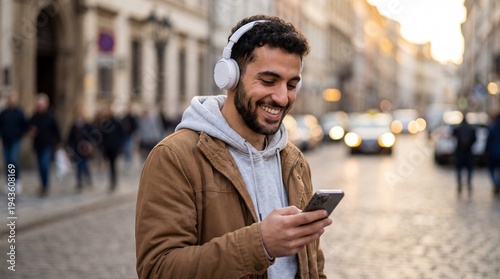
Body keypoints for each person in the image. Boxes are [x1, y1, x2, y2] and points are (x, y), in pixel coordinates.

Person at [136, 15, 332, 279]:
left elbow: (312, 265)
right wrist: (260, 243)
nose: (282, 97)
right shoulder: (175, 157)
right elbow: (158, 269)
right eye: (268, 81)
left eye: (292, 84)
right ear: (229, 77)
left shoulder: (294, 160)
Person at [29, 93, 61, 197]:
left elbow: (56, 130)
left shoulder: (50, 117)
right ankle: (43, 185)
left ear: (46, 104)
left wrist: (59, 143)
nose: (40, 106)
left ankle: (45, 185)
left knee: (44, 164)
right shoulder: (34, 116)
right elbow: (29, 128)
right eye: (38, 104)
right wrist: (32, 132)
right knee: (40, 166)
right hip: (38, 145)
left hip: (48, 144)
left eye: (41, 104)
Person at [0, 91, 28, 194]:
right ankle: (9, 183)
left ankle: (16, 181)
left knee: (13, 160)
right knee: (8, 161)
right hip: (6, 140)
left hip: (15, 139)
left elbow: (25, 125)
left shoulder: (19, 113)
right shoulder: (4, 113)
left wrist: (20, 134)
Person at [66, 107, 95, 192]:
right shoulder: (74, 126)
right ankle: (79, 182)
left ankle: (86, 177)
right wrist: (68, 146)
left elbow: (93, 136)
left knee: (84, 164)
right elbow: (70, 138)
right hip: (76, 149)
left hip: (85, 149)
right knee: (79, 166)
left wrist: (90, 144)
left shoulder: (87, 125)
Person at [96, 105, 124, 192]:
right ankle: (111, 181)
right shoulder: (103, 123)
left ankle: (113, 181)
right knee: (109, 165)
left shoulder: (116, 122)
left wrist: (119, 145)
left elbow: (121, 134)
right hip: (106, 147)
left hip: (114, 147)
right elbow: (100, 135)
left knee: (113, 165)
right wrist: (100, 146)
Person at [452, 116, 477, 193]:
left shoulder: (458, 128)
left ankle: (459, 184)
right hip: (468, 152)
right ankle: (468, 182)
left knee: (459, 169)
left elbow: (453, 134)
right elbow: (475, 138)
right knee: (469, 169)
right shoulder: (471, 128)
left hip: (460, 151)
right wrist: (470, 144)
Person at [485, 113, 500, 196]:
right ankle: (497, 183)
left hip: (493, 152)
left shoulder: (492, 127)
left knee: (491, 169)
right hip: (494, 152)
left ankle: (496, 183)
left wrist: (486, 151)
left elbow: (488, 140)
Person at [120, 103, 138, 169]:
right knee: (126, 149)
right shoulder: (124, 118)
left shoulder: (132, 118)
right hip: (125, 135)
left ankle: (128, 162)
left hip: (130, 135)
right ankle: (127, 161)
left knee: (129, 149)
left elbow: (135, 126)